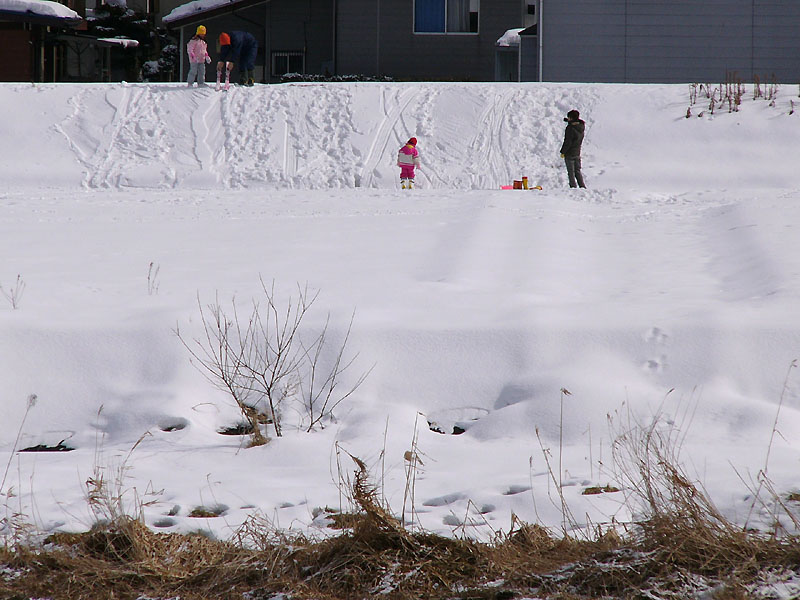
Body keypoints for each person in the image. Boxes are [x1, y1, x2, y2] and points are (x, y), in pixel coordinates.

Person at [559, 109, 586, 188]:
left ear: (571, 118)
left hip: (569, 153)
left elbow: (568, 142)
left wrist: (563, 152)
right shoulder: (581, 127)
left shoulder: (570, 128)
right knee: (577, 171)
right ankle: (582, 186)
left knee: (571, 172)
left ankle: (573, 187)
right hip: (577, 152)